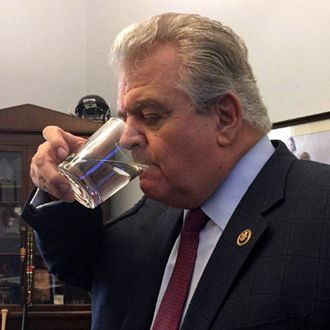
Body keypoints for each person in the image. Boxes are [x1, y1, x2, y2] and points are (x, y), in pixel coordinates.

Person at [22, 13, 330, 330]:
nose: (127, 138)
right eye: (126, 117)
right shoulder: (150, 216)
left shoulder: (321, 214)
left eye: (151, 115)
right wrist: (58, 188)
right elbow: (76, 264)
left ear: (225, 118)